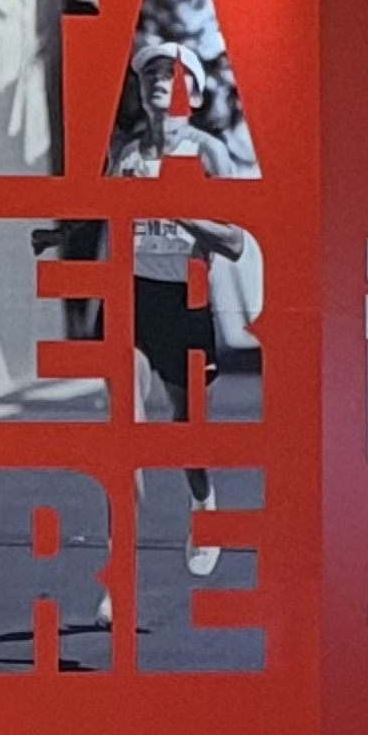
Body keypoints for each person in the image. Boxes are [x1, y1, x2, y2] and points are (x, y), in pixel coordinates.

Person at [109, 39, 246, 577]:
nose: (159, 82)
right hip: (132, 296)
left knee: (186, 429)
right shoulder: (126, 155)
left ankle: (204, 504)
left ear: (194, 90)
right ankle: (119, 569)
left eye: (172, 73)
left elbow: (234, 242)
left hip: (185, 300)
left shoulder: (209, 154)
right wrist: (61, 233)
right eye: (150, 75)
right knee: (125, 428)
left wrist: (178, 211)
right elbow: (105, 216)